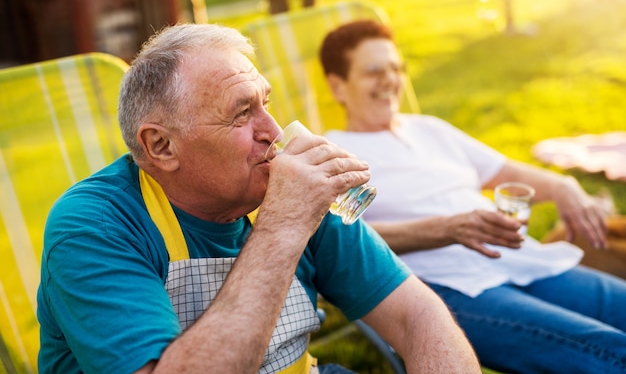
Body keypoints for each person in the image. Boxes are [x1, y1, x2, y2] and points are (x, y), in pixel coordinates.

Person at [36, 23, 481, 374]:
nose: (273, 131)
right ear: (161, 147)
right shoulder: (94, 226)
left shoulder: (289, 185)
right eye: (242, 113)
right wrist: (283, 226)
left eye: (266, 102)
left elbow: (417, 317)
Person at [320, 19, 626, 374]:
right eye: (374, 72)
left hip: (522, 260)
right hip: (448, 291)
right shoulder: (334, 155)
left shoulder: (429, 128)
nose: (389, 80)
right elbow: (338, 241)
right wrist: (448, 228)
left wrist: (563, 187)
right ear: (337, 86)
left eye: (395, 68)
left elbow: (507, 173)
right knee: (610, 353)